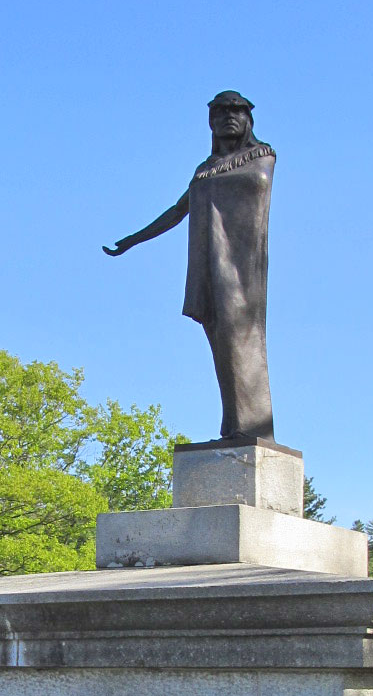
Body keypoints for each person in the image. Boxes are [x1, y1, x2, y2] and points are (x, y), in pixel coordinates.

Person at [104, 91, 276, 441]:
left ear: (248, 120)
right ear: (210, 122)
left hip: (241, 268)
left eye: (236, 112)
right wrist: (135, 239)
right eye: (220, 113)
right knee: (220, 341)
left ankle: (253, 427)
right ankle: (234, 426)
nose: (229, 117)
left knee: (240, 336)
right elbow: (178, 210)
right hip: (210, 265)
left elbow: (255, 183)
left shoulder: (260, 155)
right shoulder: (204, 170)